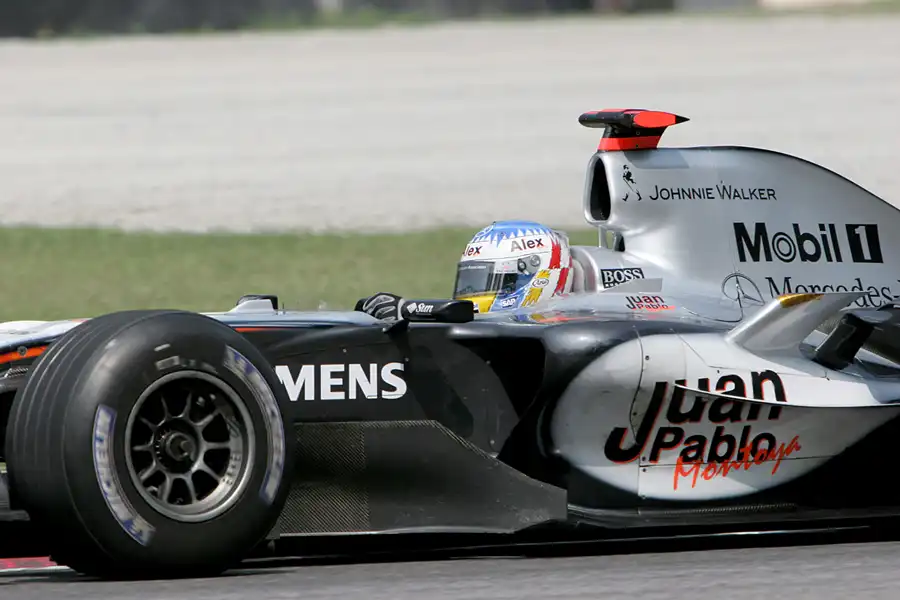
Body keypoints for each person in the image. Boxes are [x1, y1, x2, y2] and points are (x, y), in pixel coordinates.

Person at [355, 220, 575, 321]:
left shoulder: (575, 327)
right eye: (472, 282)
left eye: (497, 280)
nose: (473, 294)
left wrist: (407, 309)